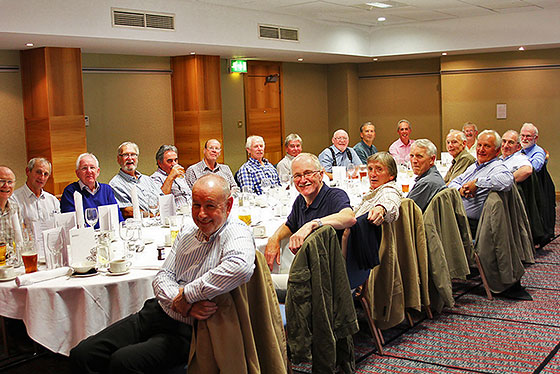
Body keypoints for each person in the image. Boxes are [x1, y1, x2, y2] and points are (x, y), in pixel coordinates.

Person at [69, 174, 256, 373]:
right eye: (196, 205)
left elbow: (240, 266)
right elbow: (162, 277)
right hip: (157, 312)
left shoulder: (235, 231)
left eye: (210, 206)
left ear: (228, 205)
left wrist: (188, 295)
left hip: (191, 330)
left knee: (123, 362)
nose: (201, 214)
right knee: (83, 353)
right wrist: (181, 302)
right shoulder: (187, 233)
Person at [264, 153, 356, 271]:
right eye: (297, 175)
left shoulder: (335, 195)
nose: (303, 180)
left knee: (268, 284)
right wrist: (274, 238)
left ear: (321, 175)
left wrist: (312, 224)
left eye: (308, 173)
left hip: (329, 272)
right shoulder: (301, 200)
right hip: (310, 266)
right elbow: (289, 225)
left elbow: (349, 218)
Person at [449, 130, 514, 235]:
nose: (481, 149)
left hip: (472, 226)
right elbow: (454, 181)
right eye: (479, 145)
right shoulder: (474, 166)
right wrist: (460, 189)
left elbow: (507, 181)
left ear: (497, 151)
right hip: (458, 218)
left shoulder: (496, 167)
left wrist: (477, 183)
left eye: (487, 146)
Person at [341, 152, 402, 257]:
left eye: (379, 169)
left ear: (391, 175)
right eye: (370, 169)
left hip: (359, 253)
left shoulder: (389, 190)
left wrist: (381, 208)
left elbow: (390, 202)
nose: (373, 174)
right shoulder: (376, 190)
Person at [60, 153, 124, 227]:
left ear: (98, 171)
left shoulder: (106, 190)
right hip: (85, 236)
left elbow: (117, 217)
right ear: (77, 173)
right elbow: (72, 225)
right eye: (84, 168)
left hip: (108, 236)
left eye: (92, 167)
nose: (89, 171)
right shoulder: (70, 192)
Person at [109, 141, 161, 218]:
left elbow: (162, 199)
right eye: (125, 155)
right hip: (140, 225)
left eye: (133, 154)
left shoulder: (147, 179)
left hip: (159, 220)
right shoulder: (115, 184)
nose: (130, 158)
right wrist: (152, 216)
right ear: (118, 159)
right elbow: (127, 211)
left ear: (137, 158)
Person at [12, 158, 59, 228]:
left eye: (45, 174)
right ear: (28, 171)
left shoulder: (53, 200)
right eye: (38, 172)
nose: (42, 177)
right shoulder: (14, 199)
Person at [408, 139, 446, 211]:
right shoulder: (433, 175)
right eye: (411, 156)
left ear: (432, 159)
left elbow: (406, 211)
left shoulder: (427, 183)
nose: (414, 161)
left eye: (419, 156)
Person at [151, 145, 192, 209]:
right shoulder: (155, 178)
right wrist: (171, 177)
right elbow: (161, 200)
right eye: (170, 161)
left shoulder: (180, 175)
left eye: (175, 160)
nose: (174, 164)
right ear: (159, 163)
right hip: (174, 214)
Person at [0, 166, 22, 244]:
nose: (6, 185)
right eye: (2, 181)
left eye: (10, 182)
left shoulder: (15, 207)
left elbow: (20, 240)